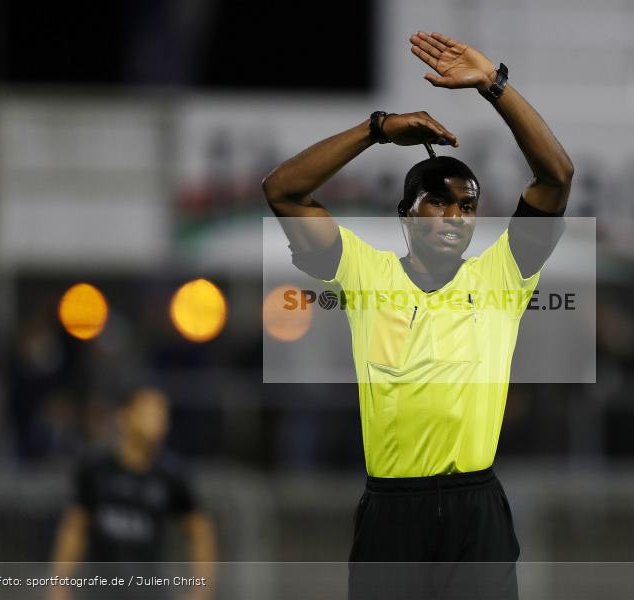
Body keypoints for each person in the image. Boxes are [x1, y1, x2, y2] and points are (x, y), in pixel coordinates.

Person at [263, 31, 572, 599]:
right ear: (406, 215)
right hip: (391, 511)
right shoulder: (362, 271)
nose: (455, 215)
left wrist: (494, 86)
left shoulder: (502, 275)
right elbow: (282, 191)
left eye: (468, 204)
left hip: (475, 508)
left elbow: (556, 177)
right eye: (439, 201)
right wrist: (376, 129)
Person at [50, 386, 217, 600]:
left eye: (163, 414)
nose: (160, 421)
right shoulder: (95, 469)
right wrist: (60, 584)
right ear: (125, 416)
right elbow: (74, 527)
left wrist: (201, 589)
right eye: (150, 412)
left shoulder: (172, 476)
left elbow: (200, 531)